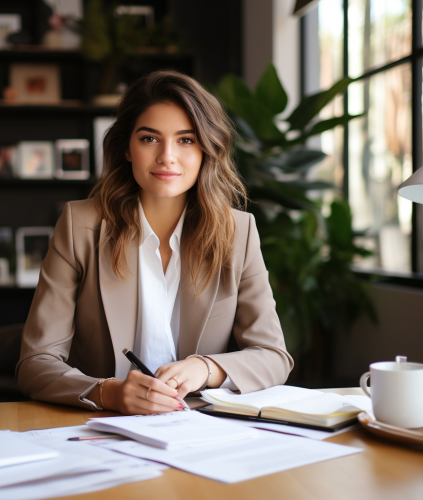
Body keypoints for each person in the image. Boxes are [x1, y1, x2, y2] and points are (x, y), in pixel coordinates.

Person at [16, 70, 293, 415]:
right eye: (149, 139)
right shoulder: (79, 226)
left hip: (198, 431)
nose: (167, 156)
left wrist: (205, 368)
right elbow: (35, 363)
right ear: (127, 149)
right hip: (100, 428)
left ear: (207, 149)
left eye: (186, 140)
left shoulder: (239, 233)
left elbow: (273, 356)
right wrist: (107, 393)